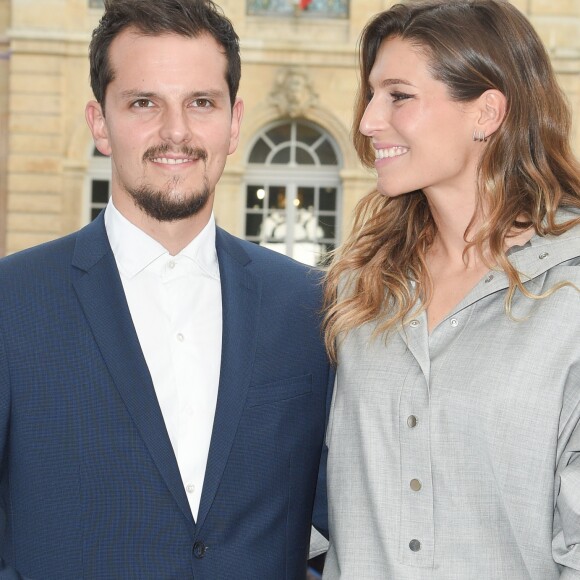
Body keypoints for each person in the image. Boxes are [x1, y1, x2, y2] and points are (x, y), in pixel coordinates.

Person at [0, 0, 332, 577]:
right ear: (99, 122)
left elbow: (350, 514)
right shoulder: (12, 301)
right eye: (144, 103)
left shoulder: (308, 303)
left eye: (200, 102)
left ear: (233, 123)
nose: (175, 131)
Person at [322, 0, 580, 578]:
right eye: (371, 95)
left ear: (486, 111)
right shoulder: (362, 291)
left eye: (399, 95)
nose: (367, 120)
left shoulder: (570, 292)